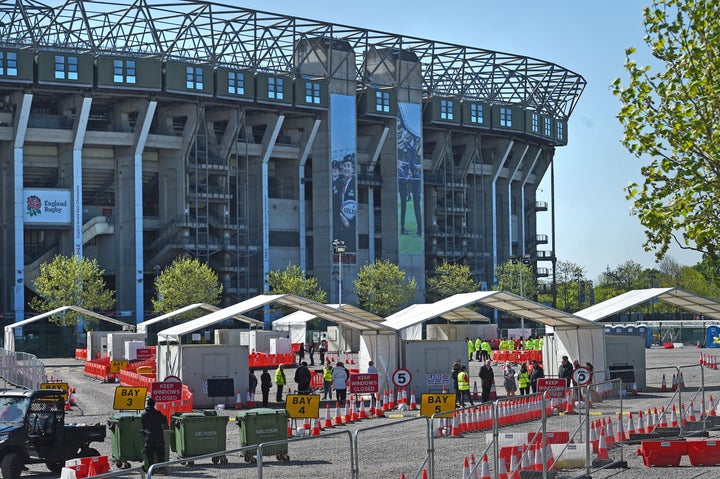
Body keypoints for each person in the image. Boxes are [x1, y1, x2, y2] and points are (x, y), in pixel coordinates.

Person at [141, 398, 168, 473]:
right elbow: (164, 420)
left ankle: (150, 471)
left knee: (150, 457)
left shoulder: (143, 414)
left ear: (147, 404)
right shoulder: (157, 413)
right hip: (158, 437)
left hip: (148, 438)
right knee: (160, 455)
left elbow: (143, 425)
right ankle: (161, 469)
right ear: (154, 404)